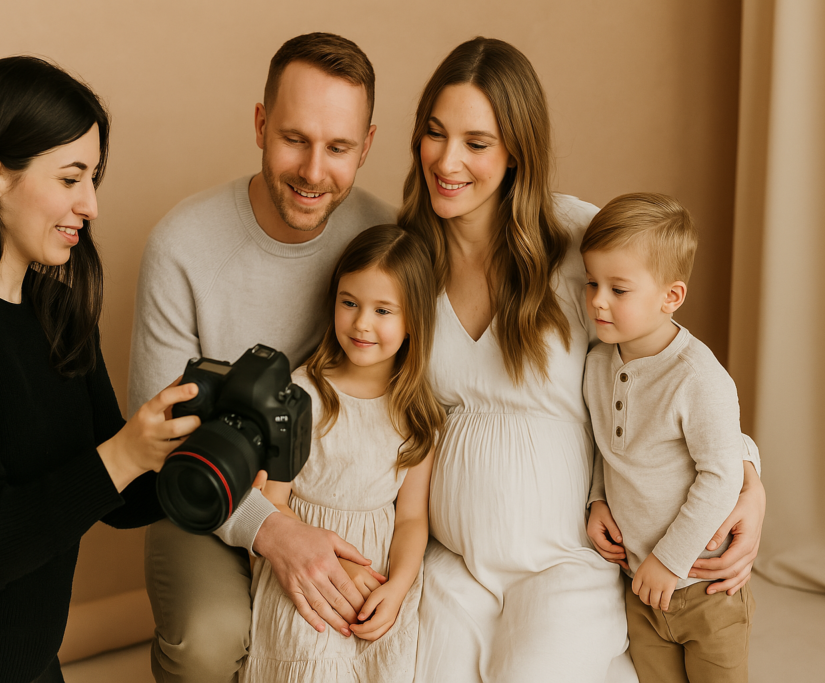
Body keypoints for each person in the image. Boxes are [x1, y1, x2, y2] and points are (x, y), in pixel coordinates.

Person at [397, 37, 765, 682]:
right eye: (435, 132)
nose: (447, 160)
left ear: (516, 152)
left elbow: (674, 366)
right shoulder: (405, 261)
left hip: (568, 558)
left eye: (477, 143)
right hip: (452, 557)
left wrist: (749, 478)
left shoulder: (578, 242)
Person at [0, 56, 203, 683]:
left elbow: (111, 495)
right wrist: (124, 454)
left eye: (93, 178)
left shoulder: (55, 308)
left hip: (32, 664)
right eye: (70, 178)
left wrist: (206, 444)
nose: (90, 205)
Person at [128, 33, 394, 682]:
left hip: (348, 495)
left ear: (367, 144)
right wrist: (275, 531)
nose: (312, 170)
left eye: (337, 148)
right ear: (259, 124)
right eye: (294, 138)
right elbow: (160, 441)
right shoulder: (181, 245)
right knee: (208, 641)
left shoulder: (387, 242)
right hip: (208, 489)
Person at [241, 224, 442, 682]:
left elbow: (412, 519)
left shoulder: (417, 414)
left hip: (379, 578)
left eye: (383, 310)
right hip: (304, 576)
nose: (361, 323)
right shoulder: (301, 393)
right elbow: (271, 503)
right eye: (349, 302)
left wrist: (399, 587)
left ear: (414, 321)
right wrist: (337, 573)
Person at [581, 193, 755, 682]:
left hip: (705, 585)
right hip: (640, 586)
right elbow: (604, 448)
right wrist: (597, 500)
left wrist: (668, 560)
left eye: (618, 289)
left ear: (670, 297)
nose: (597, 300)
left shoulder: (698, 378)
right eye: (592, 282)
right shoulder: (598, 363)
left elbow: (721, 478)